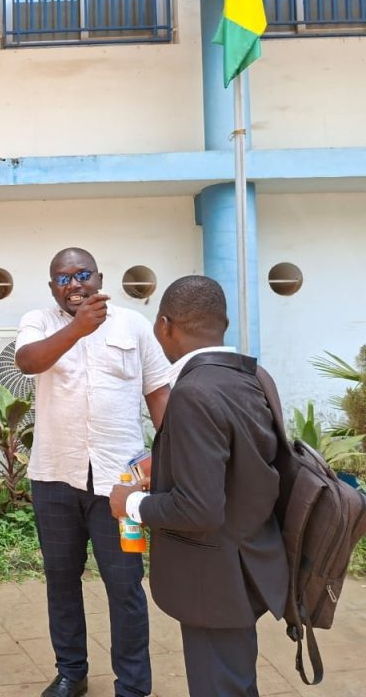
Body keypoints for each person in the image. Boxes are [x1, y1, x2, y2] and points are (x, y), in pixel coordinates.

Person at [110, 276, 287, 697]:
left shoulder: (193, 391)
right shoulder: (251, 376)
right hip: (249, 560)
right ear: (222, 323)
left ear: (165, 326)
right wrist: (168, 471)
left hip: (214, 578)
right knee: (234, 681)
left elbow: (199, 509)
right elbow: (240, 465)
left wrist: (132, 504)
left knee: (219, 686)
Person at [15, 247, 171, 697]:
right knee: (61, 581)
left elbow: (159, 393)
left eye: (82, 275)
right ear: (52, 287)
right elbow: (27, 362)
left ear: (99, 278)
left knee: (125, 585)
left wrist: (168, 456)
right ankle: (71, 673)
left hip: (120, 483)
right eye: (63, 278)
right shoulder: (38, 322)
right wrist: (78, 328)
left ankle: (133, 686)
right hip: (54, 477)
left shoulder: (134, 325)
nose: (75, 285)